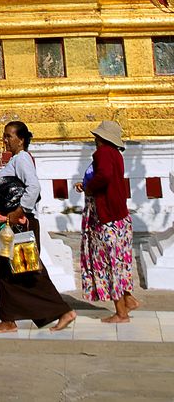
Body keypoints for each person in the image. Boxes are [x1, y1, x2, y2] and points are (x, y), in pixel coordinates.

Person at [0, 121, 76, 333]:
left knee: (29, 271)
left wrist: (19, 211)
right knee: (9, 270)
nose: (5, 140)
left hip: (20, 225)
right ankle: (10, 319)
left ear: (21, 139)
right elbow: (9, 197)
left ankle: (62, 311)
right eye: (5, 136)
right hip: (11, 224)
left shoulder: (22, 158)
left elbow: (33, 187)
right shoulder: (16, 160)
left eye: (9, 136)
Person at [76, 120, 139, 323]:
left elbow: (104, 176)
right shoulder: (116, 155)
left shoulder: (103, 153)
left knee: (108, 264)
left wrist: (89, 187)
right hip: (118, 217)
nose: (95, 140)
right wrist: (87, 184)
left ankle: (121, 313)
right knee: (118, 263)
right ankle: (127, 300)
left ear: (101, 138)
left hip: (107, 219)